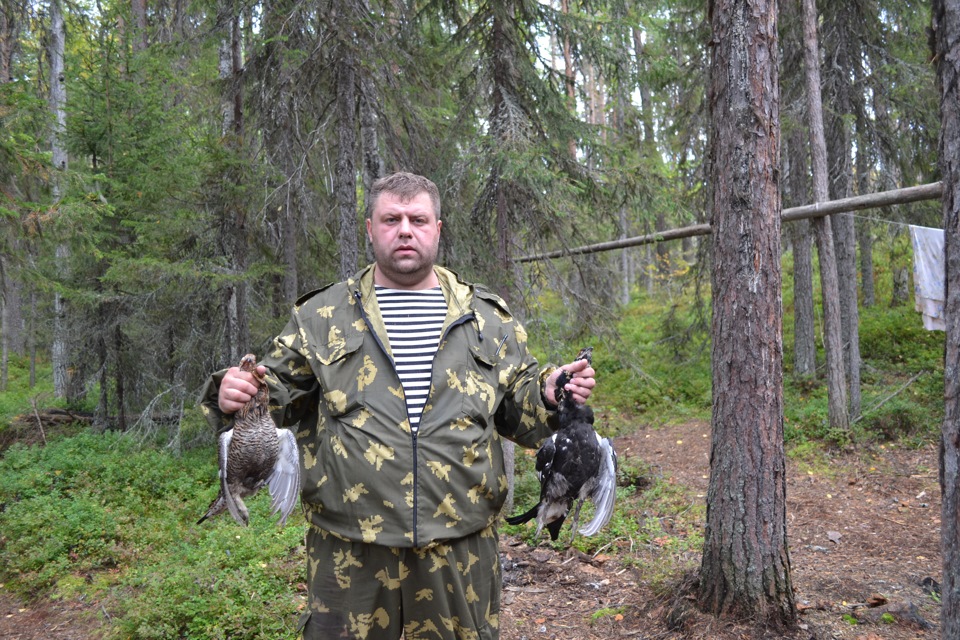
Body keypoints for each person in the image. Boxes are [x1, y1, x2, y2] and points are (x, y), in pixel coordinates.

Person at [200, 171, 595, 640]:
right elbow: (275, 395)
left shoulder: (487, 317)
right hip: (350, 554)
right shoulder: (322, 315)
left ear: (437, 229)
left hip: (459, 550)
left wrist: (548, 393)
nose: (405, 230)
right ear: (370, 228)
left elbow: (514, 408)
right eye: (391, 219)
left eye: (417, 219)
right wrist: (235, 393)